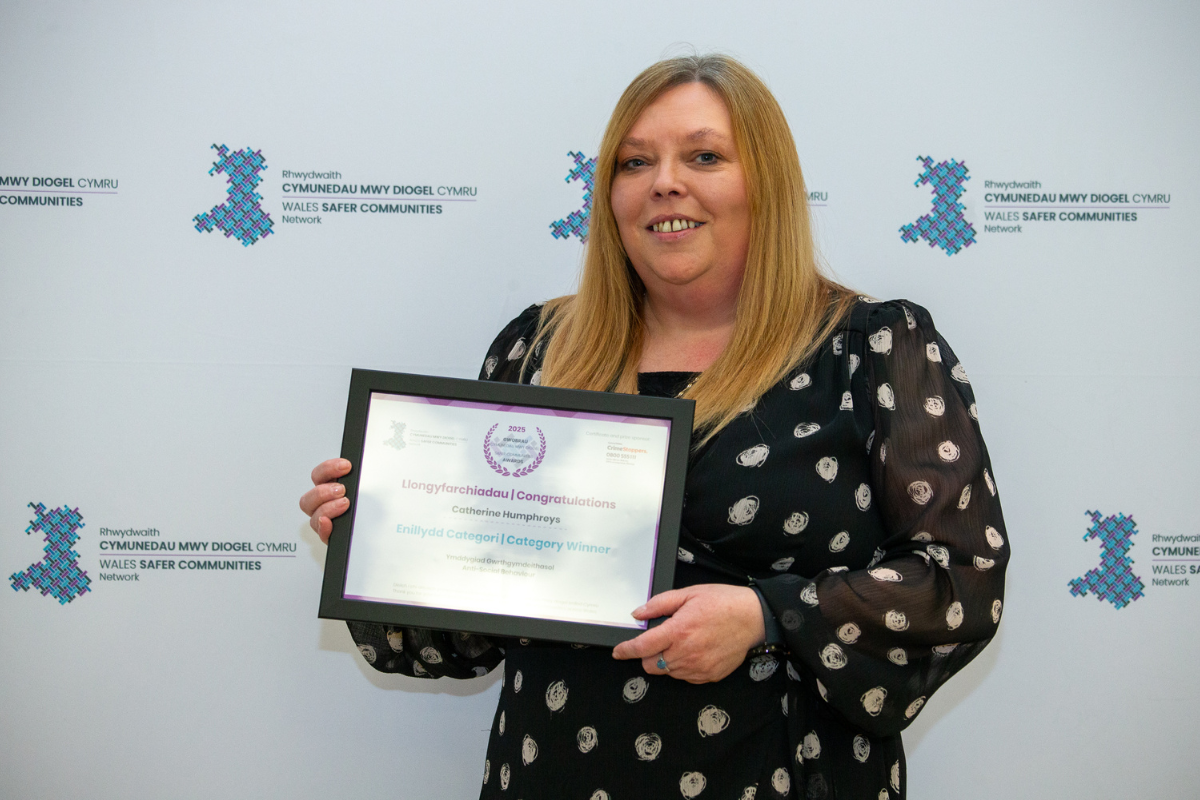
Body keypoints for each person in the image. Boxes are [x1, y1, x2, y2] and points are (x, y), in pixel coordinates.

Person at [300, 54, 1008, 800]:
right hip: (553, 772)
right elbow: (467, 628)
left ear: (766, 183)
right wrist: (377, 541)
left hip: (781, 772)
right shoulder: (538, 350)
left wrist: (769, 616)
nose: (664, 182)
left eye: (704, 156)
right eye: (635, 162)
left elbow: (961, 580)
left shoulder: (871, 348)